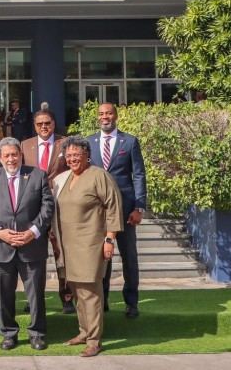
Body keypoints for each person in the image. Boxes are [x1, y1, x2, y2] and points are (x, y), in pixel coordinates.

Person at [0, 138, 54, 351]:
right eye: (7, 155)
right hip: (1, 248)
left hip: (32, 246)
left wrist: (33, 232)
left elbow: (47, 207)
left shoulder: (38, 175)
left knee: (36, 294)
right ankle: (8, 333)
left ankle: (37, 334)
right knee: (3, 295)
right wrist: (0, 233)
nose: (11, 159)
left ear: (21, 155)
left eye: (15, 154)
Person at [52, 136, 123, 358]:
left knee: (90, 292)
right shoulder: (64, 178)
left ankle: (94, 340)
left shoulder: (100, 176)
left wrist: (109, 239)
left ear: (87, 155)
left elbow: (113, 207)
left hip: (92, 244)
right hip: (68, 245)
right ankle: (83, 332)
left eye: (77, 155)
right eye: (69, 155)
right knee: (76, 291)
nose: (73, 159)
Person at [87, 103, 146, 318]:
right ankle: (102, 301)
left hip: (126, 209)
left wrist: (139, 206)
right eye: (101, 114)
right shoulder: (89, 142)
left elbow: (138, 175)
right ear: (98, 117)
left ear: (116, 116)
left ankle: (131, 302)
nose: (105, 117)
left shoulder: (129, 141)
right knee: (103, 257)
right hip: (98, 211)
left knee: (129, 257)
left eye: (109, 113)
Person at [21, 108, 73, 312]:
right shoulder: (25, 145)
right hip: (33, 208)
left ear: (54, 123)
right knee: (33, 256)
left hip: (60, 206)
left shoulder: (65, 142)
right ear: (34, 126)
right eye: (40, 124)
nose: (44, 127)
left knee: (62, 254)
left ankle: (67, 298)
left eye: (48, 123)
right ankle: (34, 299)